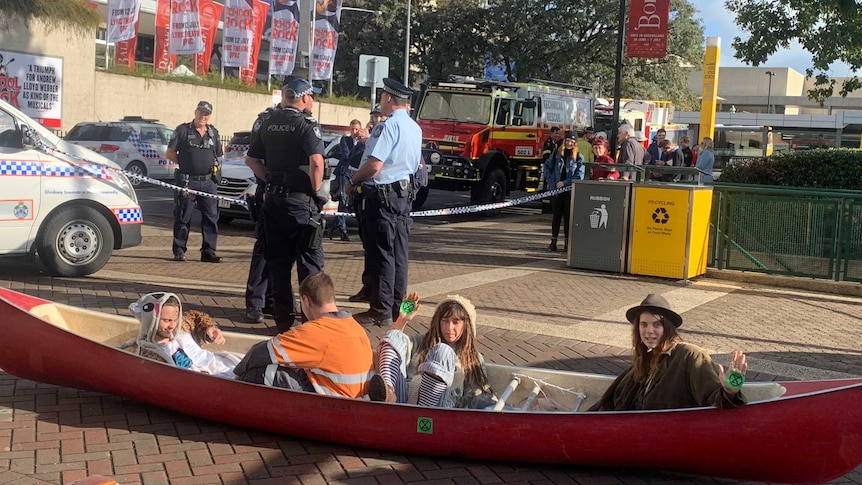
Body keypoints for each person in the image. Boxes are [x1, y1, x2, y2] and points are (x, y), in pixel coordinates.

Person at [244, 77, 326, 333]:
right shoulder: (306, 124)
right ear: (303, 97)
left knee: (278, 265)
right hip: (300, 205)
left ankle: (283, 322)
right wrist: (314, 190)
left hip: (274, 203)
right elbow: (316, 161)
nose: (313, 101)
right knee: (310, 266)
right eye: (312, 96)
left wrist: (270, 179)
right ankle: (311, 323)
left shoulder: (268, 123)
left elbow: (251, 160)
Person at [344, 78, 422, 327]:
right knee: (399, 255)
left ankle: (380, 310)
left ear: (388, 99)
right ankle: (400, 309)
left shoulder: (387, 127)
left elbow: (375, 165)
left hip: (383, 198)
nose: (380, 102)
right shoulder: (415, 128)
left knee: (383, 256)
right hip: (403, 197)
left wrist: (353, 181)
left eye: (382, 97)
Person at [589, 294, 748, 411]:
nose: (649, 331)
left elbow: (716, 402)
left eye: (656, 325)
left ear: (667, 328)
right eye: (644, 325)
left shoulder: (690, 356)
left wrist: (731, 389)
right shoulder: (644, 360)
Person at [233, 272, 374, 398]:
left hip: (332, 400)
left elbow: (260, 353)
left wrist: (236, 374)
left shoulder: (316, 331)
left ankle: (234, 395)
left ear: (306, 301)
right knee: (297, 366)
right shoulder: (355, 327)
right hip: (356, 396)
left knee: (267, 371)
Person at [369, 294, 497, 409]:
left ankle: (426, 409)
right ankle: (389, 392)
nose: (449, 327)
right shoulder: (421, 343)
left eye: (455, 322)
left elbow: (479, 397)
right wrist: (402, 320)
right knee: (394, 336)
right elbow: (390, 344)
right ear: (438, 321)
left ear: (466, 325)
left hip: (440, 413)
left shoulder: (472, 358)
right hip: (403, 404)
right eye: (445, 321)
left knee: (443, 351)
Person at [125, 292, 239, 379]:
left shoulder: (181, 326)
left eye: (175, 319)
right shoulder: (151, 354)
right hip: (215, 380)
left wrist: (210, 328)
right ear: (150, 320)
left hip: (226, 364)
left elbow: (195, 317)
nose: (172, 325)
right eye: (166, 320)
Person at [167, 101, 223, 263]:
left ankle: (208, 252)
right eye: (200, 112)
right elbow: (170, 153)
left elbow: (218, 155)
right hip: (187, 181)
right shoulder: (183, 130)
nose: (203, 116)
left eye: (206, 114)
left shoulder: (213, 133)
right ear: (195, 112)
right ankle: (179, 250)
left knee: (211, 218)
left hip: (208, 182)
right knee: (183, 216)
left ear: (209, 115)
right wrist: (185, 164)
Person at [243, 105, 280, 324]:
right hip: (268, 192)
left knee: (280, 253)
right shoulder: (266, 120)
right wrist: (271, 181)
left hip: (287, 196)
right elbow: (253, 159)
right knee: (264, 251)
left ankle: (272, 300)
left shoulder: (298, 120)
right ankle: (256, 302)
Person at [346, 107, 387, 305]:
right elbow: (352, 163)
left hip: (381, 200)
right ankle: (368, 288)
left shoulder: (385, 139)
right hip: (363, 199)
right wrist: (365, 144)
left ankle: (379, 294)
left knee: (380, 251)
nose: (374, 121)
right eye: (372, 118)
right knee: (368, 247)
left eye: (378, 117)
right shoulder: (366, 143)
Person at [544, 130, 585, 252]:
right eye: (567, 141)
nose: (569, 143)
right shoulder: (557, 154)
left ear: (575, 143)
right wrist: (553, 183)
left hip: (569, 191)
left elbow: (579, 175)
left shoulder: (578, 157)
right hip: (556, 191)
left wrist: (565, 183)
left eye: (571, 141)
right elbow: (547, 167)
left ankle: (567, 244)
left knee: (568, 217)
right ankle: (553, 242)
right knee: (556, 216)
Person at [330, 119, 363, 241]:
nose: (354, 132)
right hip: (346, 174)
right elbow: (346, 155)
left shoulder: (363, 142)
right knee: (343, 200)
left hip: (357, 175)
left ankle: (335, 224)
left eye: (356, 129)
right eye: (352, 129)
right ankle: (343, 231)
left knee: (352, 202)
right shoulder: (345, 140)